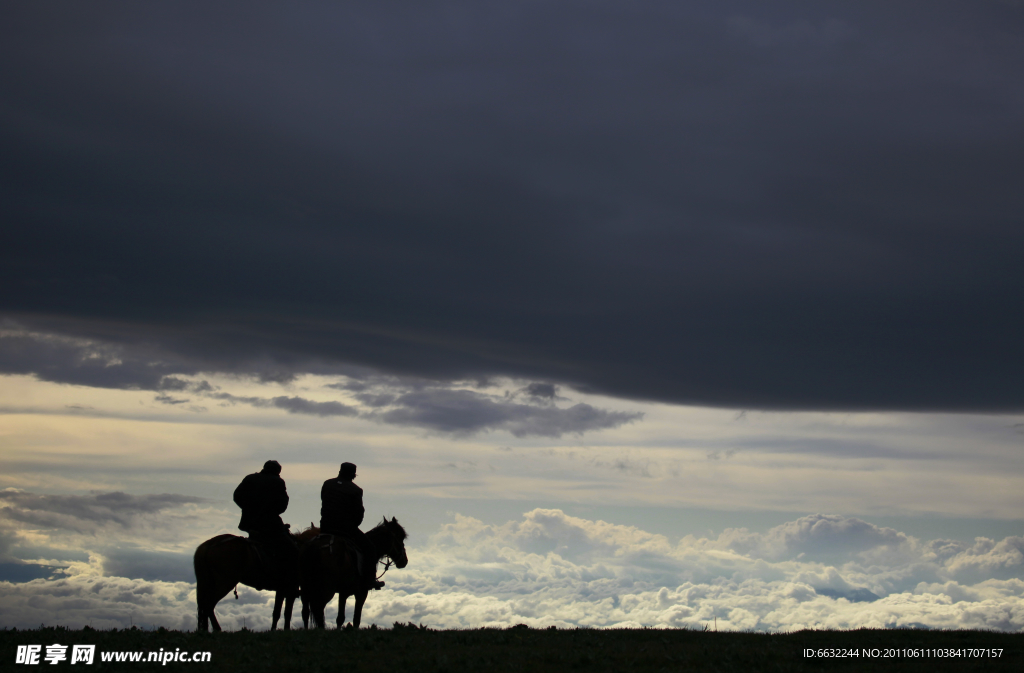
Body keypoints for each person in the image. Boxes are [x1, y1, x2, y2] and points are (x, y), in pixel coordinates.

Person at [320, 462, 384, 590]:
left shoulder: (327, 484)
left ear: (340, 471)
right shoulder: (356, 490)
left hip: (325, 527)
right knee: (370, 549)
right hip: (346, 530)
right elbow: (358, 515)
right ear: (354, 475)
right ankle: (370, 580)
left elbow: (324, 501)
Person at [233, 460, 297, 587]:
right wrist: (270, 512)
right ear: (278, 471)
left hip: (248, 523)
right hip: (269, 524)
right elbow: (282, 505)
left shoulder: (250, 478)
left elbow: (237, 496)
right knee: (292, 550)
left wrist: (247, 509)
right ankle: (287, 583)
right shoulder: (278, 482)